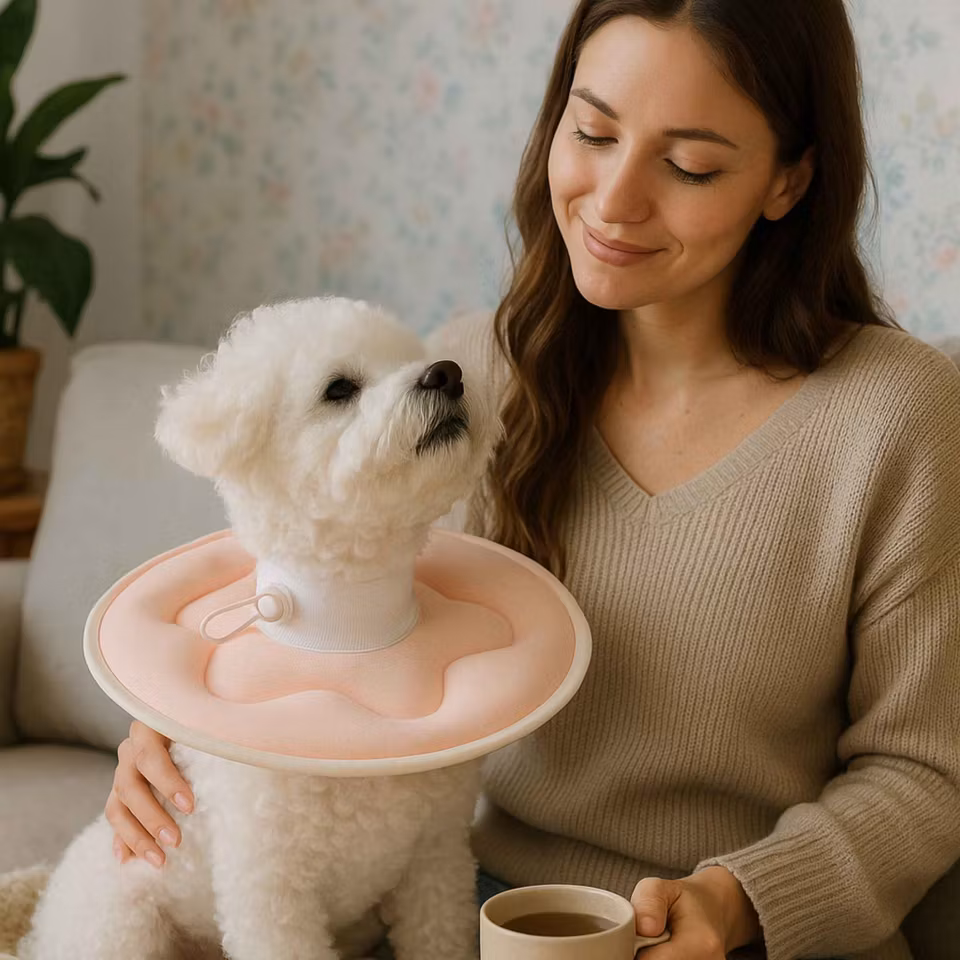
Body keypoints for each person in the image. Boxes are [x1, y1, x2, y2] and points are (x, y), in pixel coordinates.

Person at [105, 1, 960, 958]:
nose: (614, 199)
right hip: (488, 920)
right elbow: (320, 584)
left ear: (789, 179)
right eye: (592, 132)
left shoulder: (894, 414)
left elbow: (926, 768)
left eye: (689, 165)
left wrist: (740, 900)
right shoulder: (470, 378)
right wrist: (186, 733)